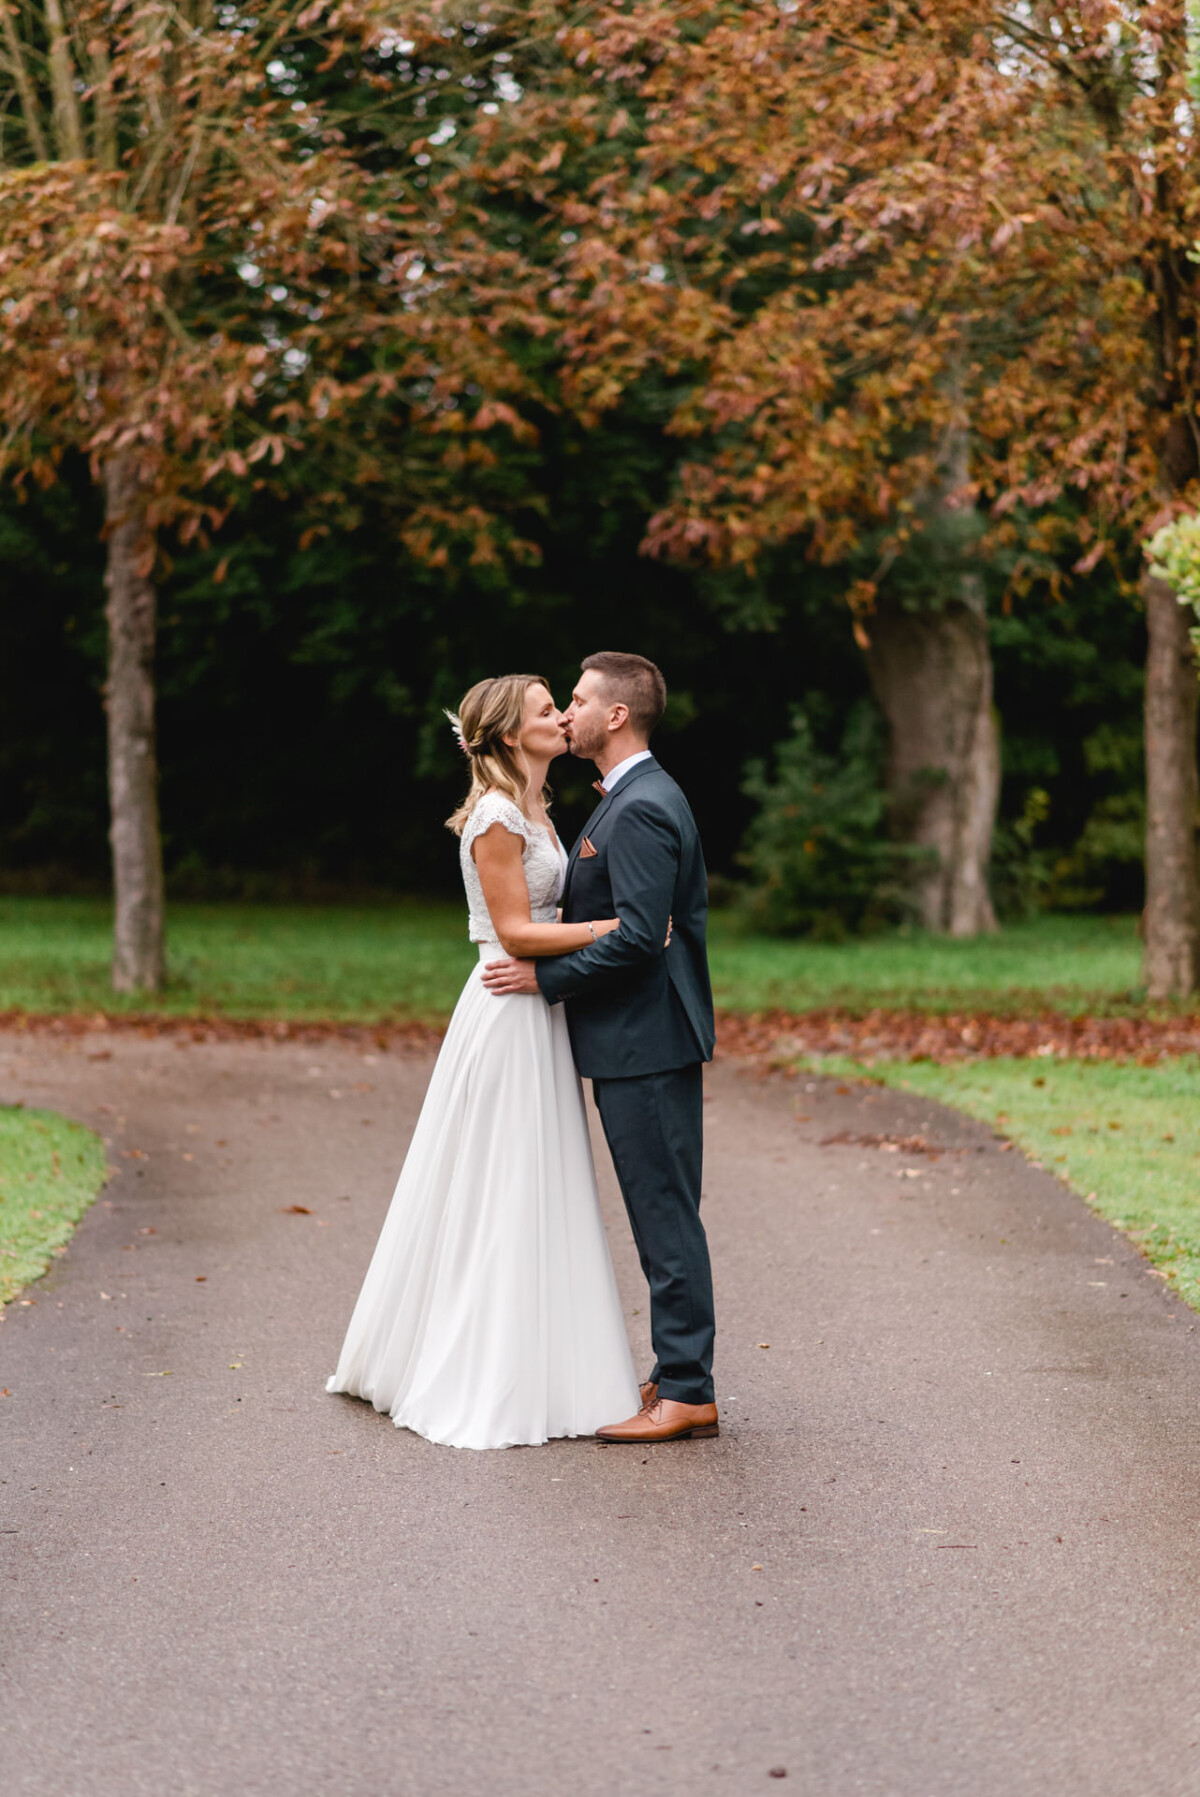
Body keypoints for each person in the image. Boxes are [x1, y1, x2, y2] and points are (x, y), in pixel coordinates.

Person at [326, 672, 639, 1449]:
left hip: (540, 1006)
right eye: (545, 709)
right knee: (504, 1179)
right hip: (507, 1007)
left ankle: (548, 1360)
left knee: (539, 1177)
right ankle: (485, 1367)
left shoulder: (539, 808)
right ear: (508, 734)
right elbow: (517, 932)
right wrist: (616, 930)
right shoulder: (497, 817)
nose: (562, 716)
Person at [482, 652, 719, 1445]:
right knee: (661, 1208)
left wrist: (542, 981)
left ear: (615, 716)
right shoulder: (630, 797)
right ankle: (679, 1374)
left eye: (577, 700)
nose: (568, 711)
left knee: (663, 1212)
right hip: (635, 1040)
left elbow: (639, 941)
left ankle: (686, 1389)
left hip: (645, 1039)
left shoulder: (644, 804)